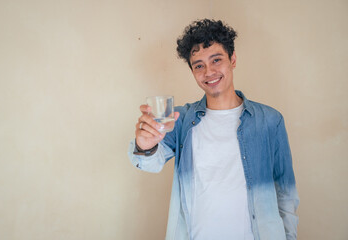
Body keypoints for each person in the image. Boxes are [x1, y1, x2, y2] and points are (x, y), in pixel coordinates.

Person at [128, 19, 299, 240]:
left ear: (233, 59)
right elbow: (150, 162)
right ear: (192, 71)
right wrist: (144, 145)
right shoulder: (180, 120)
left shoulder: (270, 121)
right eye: (199, 65)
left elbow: (285, 195)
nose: (209, 72)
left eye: (216, 60)